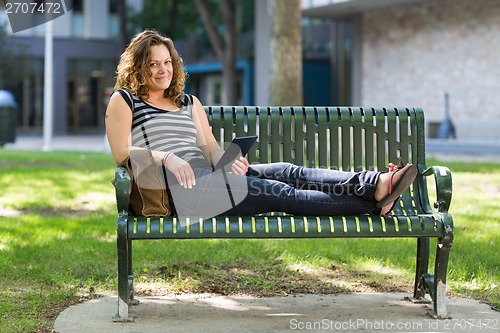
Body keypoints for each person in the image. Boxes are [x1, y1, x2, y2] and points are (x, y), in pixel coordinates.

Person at [105, 29, 417, 219]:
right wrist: (167, 158)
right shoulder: (125, 100)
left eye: (168, 62)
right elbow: (122, 153)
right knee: (278, 191)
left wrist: (230, 160)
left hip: (209, 176)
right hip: (179, 193)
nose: (164, 70)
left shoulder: (188, 102)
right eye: (154, 64)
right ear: (138, 67)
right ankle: (373, 201)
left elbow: (210, 151)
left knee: (286, 171)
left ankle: (373, 185)